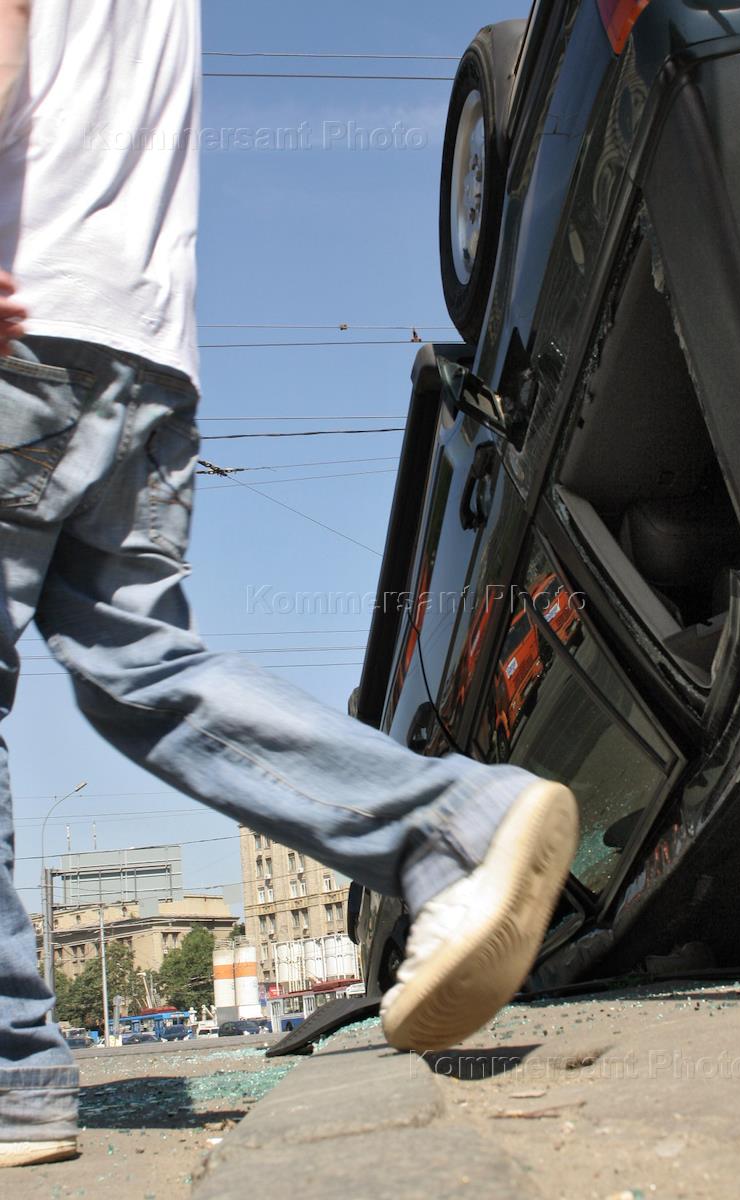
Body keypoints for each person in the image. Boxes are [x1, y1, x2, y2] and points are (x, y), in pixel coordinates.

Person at [0, 0, 579, 1168]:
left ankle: (11, 1076)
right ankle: (449, 823)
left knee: (134, 671)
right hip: (149, 348)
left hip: (25, 323)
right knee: (142, 670)